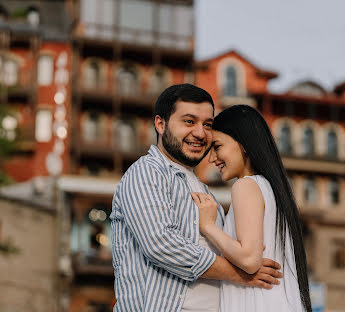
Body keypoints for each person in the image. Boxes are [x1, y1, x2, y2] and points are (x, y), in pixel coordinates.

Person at [110, 84, 282, 312]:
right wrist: (241, 275)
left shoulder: (205, 191)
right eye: (189, 121)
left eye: (207, 124)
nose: (200, 133)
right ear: (160, 124)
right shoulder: (147, 172)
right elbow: (161, 245)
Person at [191, 105, 313, 312]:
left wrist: (208, 227)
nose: (211, 158)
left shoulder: (245, 185)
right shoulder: (271, 189)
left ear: (243, 144)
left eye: (217, 146)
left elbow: (249, 259)